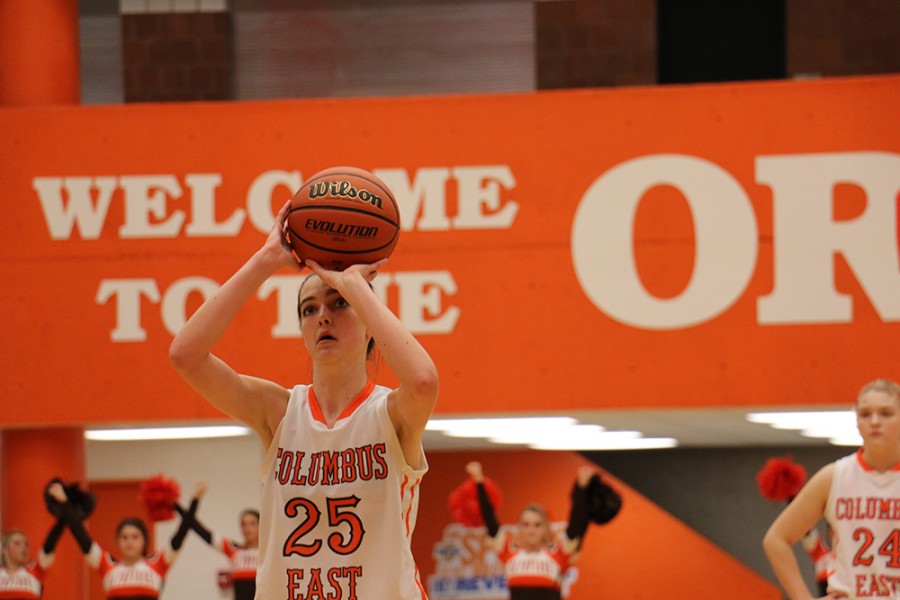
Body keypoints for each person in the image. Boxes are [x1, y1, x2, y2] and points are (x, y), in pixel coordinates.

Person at [168, 199, 439, 598]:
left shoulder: (390, 415)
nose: (322, 316)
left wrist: (353, 285)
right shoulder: (279, 412)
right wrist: (265, 260)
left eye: (338, 303)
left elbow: (423, 380)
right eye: (309, 310)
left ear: (371, 325)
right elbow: (185, 356)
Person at [763, 378, 900, 600]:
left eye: (886, 413)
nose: (875, 421)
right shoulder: (834, 476)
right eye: (865, 414)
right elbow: (776, 539)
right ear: (857, 421)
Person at [48, 480, 204, 599]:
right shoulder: (107, 566)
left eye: (135, 537)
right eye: (124, 537)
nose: (129, 541)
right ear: (118, 541)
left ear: (144, 541)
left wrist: (195, 499)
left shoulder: (158, 564)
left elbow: (181, 533)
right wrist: (65, 502)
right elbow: (81, 536)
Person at [464, 461, 594, 600]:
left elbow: (574, 525)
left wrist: (581, 488)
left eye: (537, 525)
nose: (531, 530)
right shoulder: (509, 552)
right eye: (526, 525)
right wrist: (479, 482)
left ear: (546, 528)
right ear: (519, 527)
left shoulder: (558, 553)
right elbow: (490, 521)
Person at [180, 503, 260, 600]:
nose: (247, 528)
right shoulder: (234, 550)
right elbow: (203, 533)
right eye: (243, 524)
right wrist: (178, 505)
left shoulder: (268, 554)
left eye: (252, 523)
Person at [0, 520, 65, 600]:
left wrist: (61, 522)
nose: (23, 547)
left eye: (26, 544)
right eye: (17, 543)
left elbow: (48, 549)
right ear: (5, 549)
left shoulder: (35, 570)